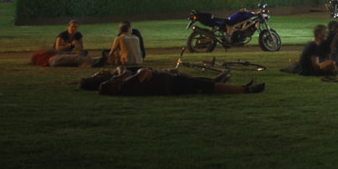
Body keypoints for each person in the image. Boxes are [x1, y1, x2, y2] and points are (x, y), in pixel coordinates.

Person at [85, 68, 264, 96]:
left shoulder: (120, 83)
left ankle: (241, 87)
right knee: (207, 86)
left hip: (170, 81)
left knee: (200, 82)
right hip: (171, 85)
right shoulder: (122, 85)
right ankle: (244, 90)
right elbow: (144, 74)